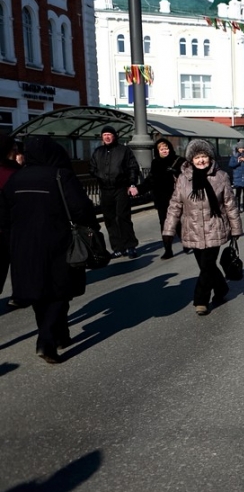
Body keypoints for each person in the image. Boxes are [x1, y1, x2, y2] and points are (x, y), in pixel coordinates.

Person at [1, 136, 98, 363]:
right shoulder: (60, 175)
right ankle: (45, 340)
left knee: (39, 293)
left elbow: (3, 215)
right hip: (58, 243)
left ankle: (61, 335)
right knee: (60, 291)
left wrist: (12, 240)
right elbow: (81, 208)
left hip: (24, 247)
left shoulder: (16, 179)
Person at [163, 140, 243, 316]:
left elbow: (230, 204)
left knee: (206, 266)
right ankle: (221, 288)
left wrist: (236, 229)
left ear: (210, 157)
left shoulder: (220, 177)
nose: (201, 161)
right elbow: (175, 205)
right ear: (191, 159)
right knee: (207, 267)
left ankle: (200, 300)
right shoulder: (183, 179)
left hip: (214, 227)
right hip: (192, 230)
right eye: (197, 157)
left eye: (204, 156)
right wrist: (168, 230)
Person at [89, 126, 140, 258]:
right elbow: (92, 168)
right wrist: (100, 175)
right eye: (104, 134)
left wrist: (132, 183)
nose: (107, 137)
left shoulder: (124, 150)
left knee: (123, 217)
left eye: (109, 134)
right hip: (105, 190)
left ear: (114, 136)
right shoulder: (98, 152)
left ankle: (130, 246)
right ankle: (117, 247)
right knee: (109, 219)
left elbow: (132, 167)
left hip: (121, 188)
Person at [134, 138, 185, 259]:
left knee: (177, 221)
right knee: (164, 223)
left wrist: (176, 172)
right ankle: (168, 249)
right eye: (161, 149)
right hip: (161, 198)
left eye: (166, 148)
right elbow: (151, 180)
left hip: (176, 197)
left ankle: (186, 242)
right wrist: (139, 189)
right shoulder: (156, 163)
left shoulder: (178, 160)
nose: (164, 151)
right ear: (158, 151)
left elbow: (188, 175)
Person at [0, 134, 25, 309]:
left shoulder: (15, 171)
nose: (16, 152)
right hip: (9, 227)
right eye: (13, 149)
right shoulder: (12, 173)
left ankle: (18, 294)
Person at [228, 140, 244, 212]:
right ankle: (238, 208)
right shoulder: (234, 156)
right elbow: (231, 165)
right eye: (240, 148)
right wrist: (238, 161)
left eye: (242, 148)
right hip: (238, 177)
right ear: (237, 148)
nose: (241, 149)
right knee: (238, 194)